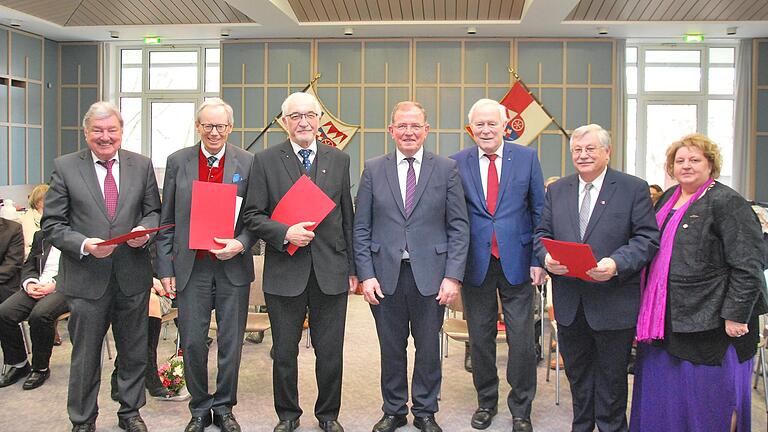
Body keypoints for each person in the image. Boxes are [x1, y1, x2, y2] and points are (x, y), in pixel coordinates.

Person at [629, 133, 768, 432]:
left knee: (712, 402)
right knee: (666, 400)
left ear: (710, 165)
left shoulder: (727, 201)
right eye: (680, 161)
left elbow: (749, 264)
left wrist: (736, 313)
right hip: (666, 322)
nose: (686, 166)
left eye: (695, 160)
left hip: (714, 326)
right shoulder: (667, 198)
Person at [42, 101, 161, 432]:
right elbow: (52, 223)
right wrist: (83, 245)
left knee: (134, 352)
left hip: (132, 277)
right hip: (85, 280)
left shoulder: (141, 165)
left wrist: (143, 233)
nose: (105, 137)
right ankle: (82, 419)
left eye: (112, 130)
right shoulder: (65, 167)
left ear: (122, 132)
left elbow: (154, 212)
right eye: (98, 130)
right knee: (84, 357)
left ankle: (130, 412)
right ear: (86, 133)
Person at [533, 124, 659, 432]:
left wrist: (616, 264)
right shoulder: (558, 189)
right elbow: (541, 234)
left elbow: (647, 239)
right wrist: (547, 259)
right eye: (577, 150)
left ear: (607, 152)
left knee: (612, 379)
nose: (583, 155)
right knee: (577, 375)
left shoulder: (632, 188)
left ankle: (612, 428)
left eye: (590, 149)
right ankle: (582, 426)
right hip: (570, 303)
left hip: (613, 301)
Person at [243, 91, 356, 432]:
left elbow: (346, 219)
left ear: (320, 121)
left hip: (330, 271)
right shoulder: (264, 160)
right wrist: (284, 232)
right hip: (285, 270)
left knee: (330, 352)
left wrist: (353, 270)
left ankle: (328, 415)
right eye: (295, 116)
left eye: (309, 115)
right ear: (284, 122)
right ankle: (288, 415)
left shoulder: (339, 160)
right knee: (284, 353)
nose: (303, 122)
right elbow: (252, 215)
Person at [354, 101, 469, 432]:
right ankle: (393, 409)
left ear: (426, 130)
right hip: (385, 275)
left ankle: (425, 410)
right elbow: (361, 227)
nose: (408, 132)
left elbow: (459, 227)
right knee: (391, 348)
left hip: (432, 277)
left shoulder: (445, 169)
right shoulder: (374, 168)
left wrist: (453, 276)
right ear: (391, 130)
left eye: (415, 126)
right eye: (401, 126)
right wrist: (366, 275)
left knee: (429, 348)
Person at [155, 98, 255, 432]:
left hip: (232, 267)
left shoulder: (248, 162)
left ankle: (224, 407)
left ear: (231, 127)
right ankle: (199, 408)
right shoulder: (178, 161)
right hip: (191, 267)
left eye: (221, 126)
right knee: (194, 341)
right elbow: (166, 219)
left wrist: (240, 243)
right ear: (198, 126)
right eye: (207, 126)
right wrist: (165, 269)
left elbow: (255, 217)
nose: (214, 132)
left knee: (231, 342)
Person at [449, 98, 545, 432]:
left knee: (521, 339)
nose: (487, 129)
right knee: (480, 338)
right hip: (475, 263)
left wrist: (539, 258)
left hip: (518, 262)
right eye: (480, 124)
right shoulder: (456, 162)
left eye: (493, 123)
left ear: (506, 125)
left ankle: (521, 407)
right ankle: (486, 401)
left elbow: (539, 212)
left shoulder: (527, 158)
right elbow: (452, 218)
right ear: (470, 128)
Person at [0, 227, 68, 390]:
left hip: (66, 287)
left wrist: (53, 285)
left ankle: (40, 368)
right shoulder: (42, 235)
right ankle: (18, 363)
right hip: (37, 285)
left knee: (40, 315)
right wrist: (30, 282)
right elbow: (29, 264)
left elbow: (84, 270)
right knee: (4, 313)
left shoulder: (81, 233)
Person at [0, 217, 24, 383]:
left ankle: (18, 362)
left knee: (4, 309)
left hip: (5, 283)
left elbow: (11, 265)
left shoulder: (12, 229)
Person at [19, 184, 49, 258]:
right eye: (47, 198)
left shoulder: (55, 217)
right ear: (37, 202)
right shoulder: (25, 219)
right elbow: (27, 245)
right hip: (33, 257)